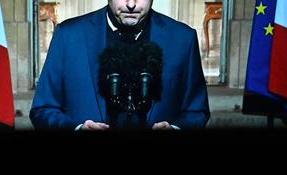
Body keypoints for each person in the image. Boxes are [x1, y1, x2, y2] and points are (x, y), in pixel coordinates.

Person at [30, 0, 210, 130]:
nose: (131, 4)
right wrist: (76, 128)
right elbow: (42, 109)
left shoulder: (183, 38)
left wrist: (176, 128)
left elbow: (197, 111)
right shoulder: (68, 35)